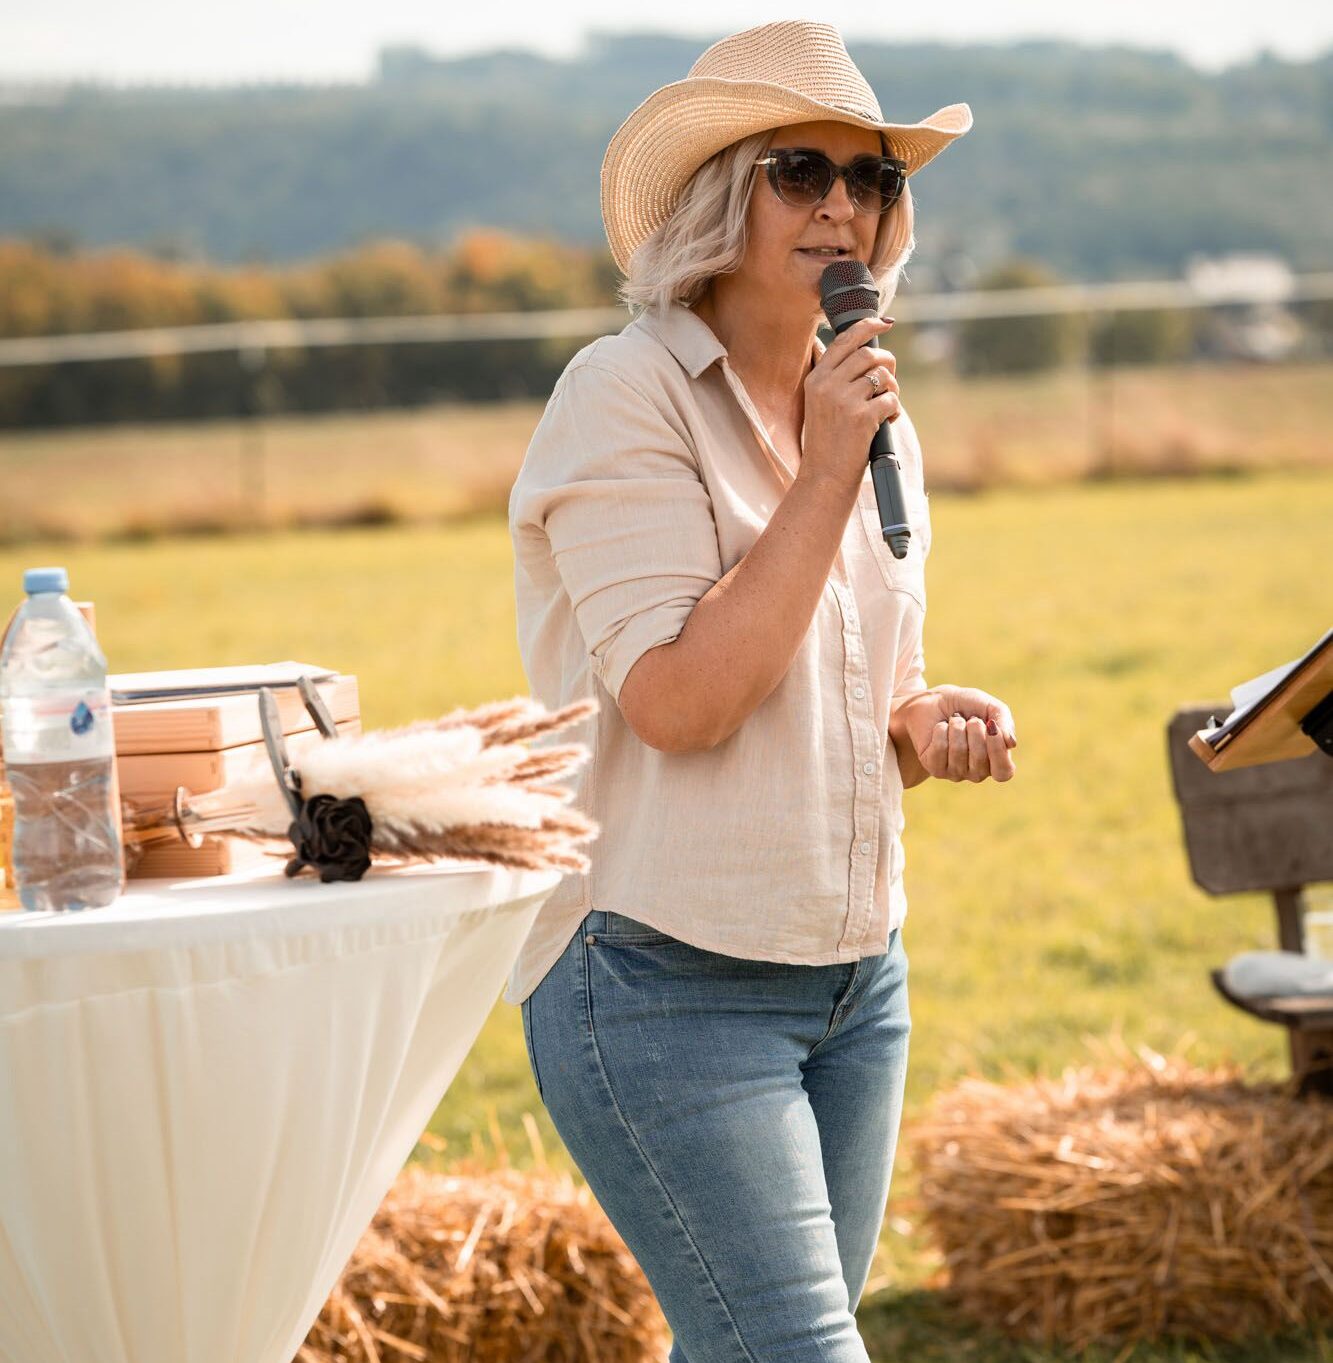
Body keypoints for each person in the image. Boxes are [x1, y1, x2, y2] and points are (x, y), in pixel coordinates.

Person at [506, 21, 1016, 1362]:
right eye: (802, 171)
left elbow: (853, 677)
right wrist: (824, 471)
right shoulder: (622, 397)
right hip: (660, 979)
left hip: (855, 977)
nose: (845, 206)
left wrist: (915, 720)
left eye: (876, 179)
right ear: (719, 198)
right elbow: (681, 704)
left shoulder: (856, 407)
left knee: (752, 1343)